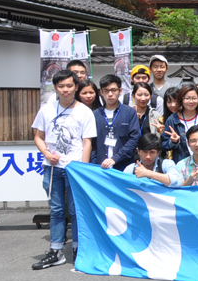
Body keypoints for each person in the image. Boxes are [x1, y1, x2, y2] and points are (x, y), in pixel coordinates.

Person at [31, 70, 96, 269]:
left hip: (74, 168)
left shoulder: (84, 111)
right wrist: (47, 154)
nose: (65, 90)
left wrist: (82, 169)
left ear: (76, 87)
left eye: (69, 86)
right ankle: (56, 251)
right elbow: (38, 136)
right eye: (61, 86)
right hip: (53, 168)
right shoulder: (46, 109)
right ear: (56, 88)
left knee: (76, 211)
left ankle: (79, 249)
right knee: (57, 211)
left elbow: (87, 143)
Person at [93, 74, 140, 172]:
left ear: (120, 91)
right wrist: (94, 163)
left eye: (113, 90)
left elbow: (134, 139)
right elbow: (91, 143)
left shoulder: (129, 113)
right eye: (106, 90)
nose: (110, 94)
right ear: (101, 92)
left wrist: (115, 158)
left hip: (124, 166)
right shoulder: (95, 115)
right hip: (100, 167)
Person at [161, 84, 198, 163]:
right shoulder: (172, 119)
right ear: (181, 99)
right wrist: (174, 142)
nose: (191, 101)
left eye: (194, 98)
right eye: (187, 98)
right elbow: (163, 144)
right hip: (181, 165)